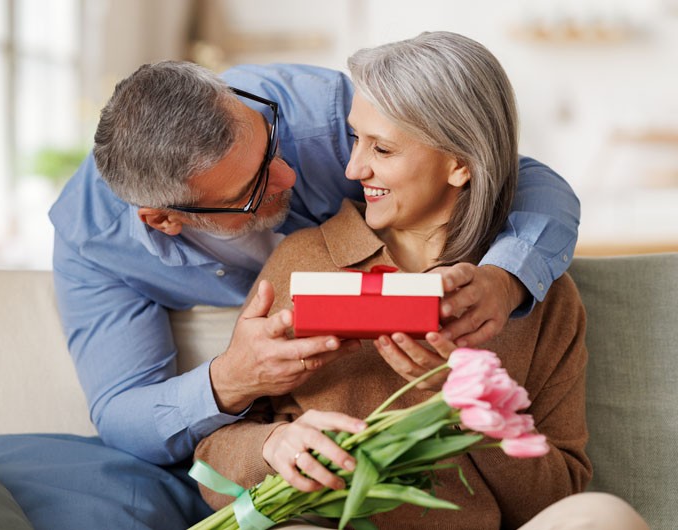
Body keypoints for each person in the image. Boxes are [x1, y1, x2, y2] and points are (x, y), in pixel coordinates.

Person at [193, 32, 647, 530]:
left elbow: (554, 498)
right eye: (355, 138)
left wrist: (465, 402)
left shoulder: (540, 297)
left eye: (383, 149)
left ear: (460, 165)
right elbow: (210, 468)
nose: (353, 168)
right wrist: (271, 444)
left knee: (605, 515)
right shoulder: (303, 262)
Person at [49, 61, 579, 469]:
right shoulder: (94, 246)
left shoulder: (317, 113)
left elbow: (511, 172)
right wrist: (231, 379)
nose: (288, 175)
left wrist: (505, 279)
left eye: (270, 143)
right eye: (254, 187)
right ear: (165, 219)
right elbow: (121, 414)